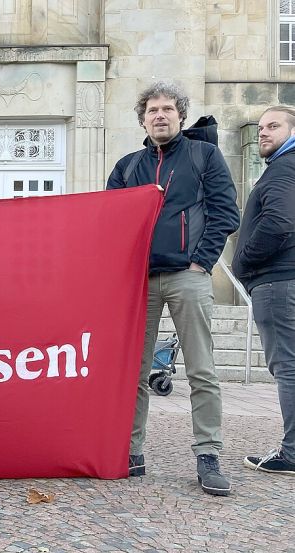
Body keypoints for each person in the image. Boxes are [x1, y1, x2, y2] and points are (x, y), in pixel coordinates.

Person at [106, 82, 240, 495]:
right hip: (140, 282)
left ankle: (208, 454)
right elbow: (109, 221)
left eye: (167, 109)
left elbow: (225, 212)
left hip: (188, 275)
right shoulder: (127, 166)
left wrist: (201, 261)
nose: (160, 115)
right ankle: (130, 451)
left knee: (201, 370)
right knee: (134, 371)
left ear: (180, 115)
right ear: (142, 119)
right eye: (152, 110)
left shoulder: (204, 155)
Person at [232, 106, 295, 475]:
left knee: (287, 365)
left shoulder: (283, 168)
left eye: (274, 126)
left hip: (277, 281)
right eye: (260, 128)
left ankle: (292, 453)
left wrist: (243, 262)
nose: (263, 133)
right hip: (284, 278)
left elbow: (279, 222)